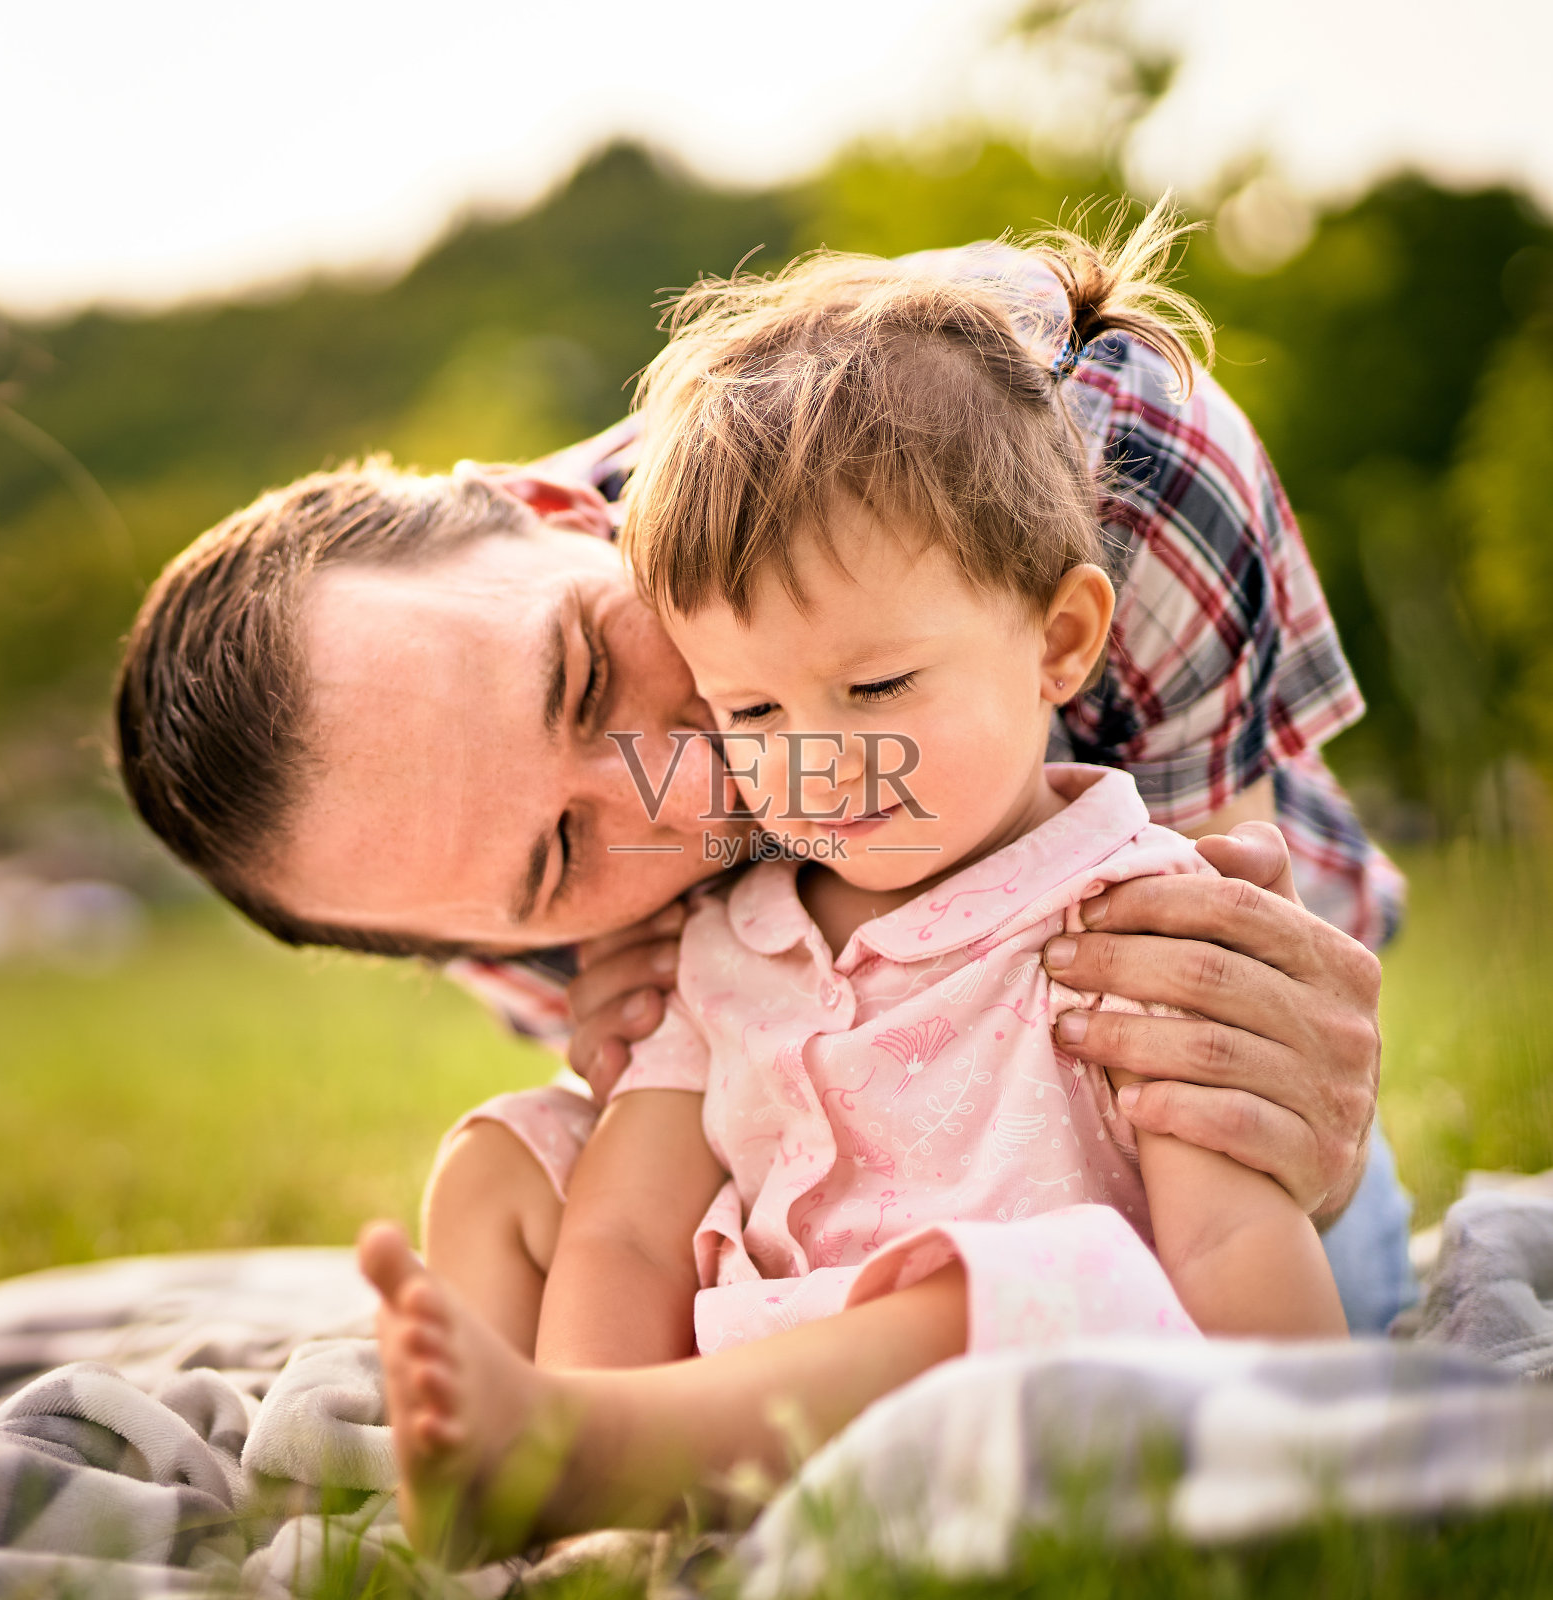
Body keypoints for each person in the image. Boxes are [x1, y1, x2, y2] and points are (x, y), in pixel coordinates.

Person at [112, 225, 1408, 1341]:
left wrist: (1275, 1109)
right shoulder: (438, 852)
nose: (689, 788)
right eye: (563, 856)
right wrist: (647, 1060)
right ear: (476, 946)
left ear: (553, 509)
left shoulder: (1101, 447)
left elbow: (1237, 1053)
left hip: (1167, 1134)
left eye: (585, 673)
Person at [355, 218, 1346, 1559]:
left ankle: (583, 1458)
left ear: (1057, 641)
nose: (813, 760)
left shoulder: (1128, 909)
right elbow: (628, 1233)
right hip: (739, 1395)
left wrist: (1303, 1467)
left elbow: (1229, 1244)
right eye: (751, 711)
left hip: (1010, 1405)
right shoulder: (733, 941)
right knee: (504, 1155)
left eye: (876, 687)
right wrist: (600, 1400)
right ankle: (561, 1481)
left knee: (1067, 1281)